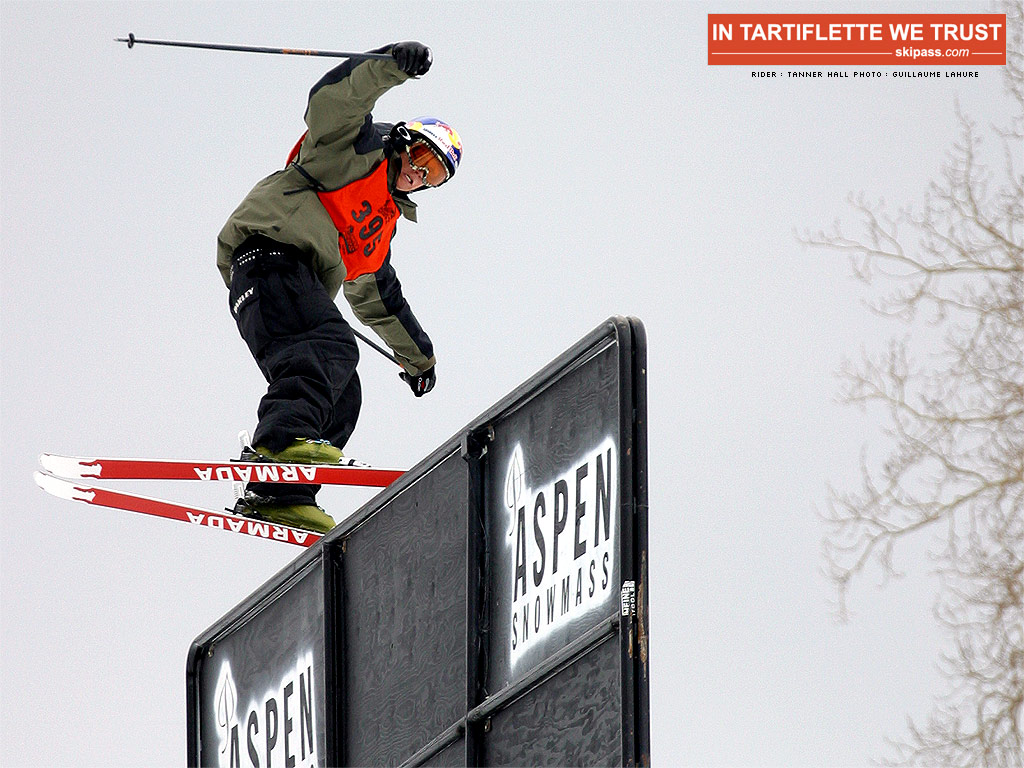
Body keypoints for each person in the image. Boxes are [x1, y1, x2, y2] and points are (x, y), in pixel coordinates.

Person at [216, 41, 462, 533]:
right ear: (402, 140)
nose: (416, 173)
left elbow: (378, 298)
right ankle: (276, 445)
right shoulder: (351, 146)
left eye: (432, 176)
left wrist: (420, 359)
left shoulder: (379, 225)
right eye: (418, 156)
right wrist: (393, 65)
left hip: (288, 283)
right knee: (331, 347)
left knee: (343, 391)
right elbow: (336, 100)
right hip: (268, 253)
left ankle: (280, 494)